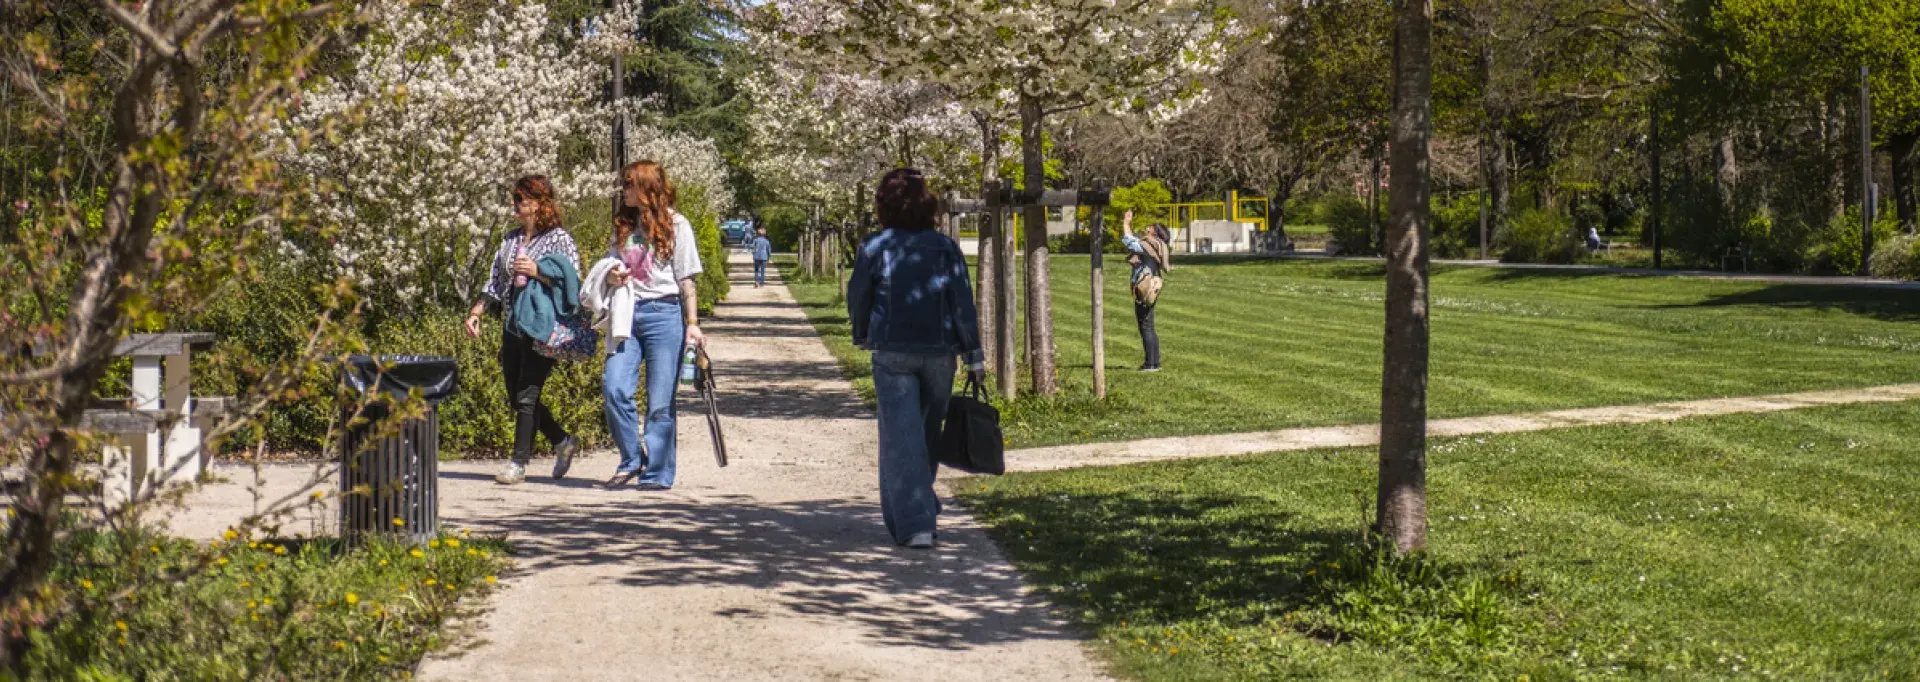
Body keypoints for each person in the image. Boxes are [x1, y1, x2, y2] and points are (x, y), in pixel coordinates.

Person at [847, 168, 986, 550]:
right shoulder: (944, 247)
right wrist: (974, 354)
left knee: (903, 439)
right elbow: (962, 303)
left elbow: (859, 296)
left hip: (893, 352)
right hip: (940, 353)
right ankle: (918, 510)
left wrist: (861, 332)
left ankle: (915, 521)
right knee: (923, 434)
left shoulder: (874, 246)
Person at [599, 160, 707, 491]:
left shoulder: (677, 225)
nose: (625, 190)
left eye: (630, 184)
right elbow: (608, 263)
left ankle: (657, 473)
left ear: (647, 188)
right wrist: (611, 273)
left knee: (660, 402)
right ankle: (632, 458)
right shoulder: (623, 225)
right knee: (614, 385)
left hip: (665, 315)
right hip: (627, 313)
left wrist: (693, 323)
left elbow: (686, 279)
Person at [466, 175, 581, 485]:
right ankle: (562, 441)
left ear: (538, 204)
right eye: (515, 200)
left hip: (543, 326)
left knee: (528, 394)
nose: (515, 206)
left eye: (520, 200)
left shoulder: (559, 239)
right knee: (516, 397)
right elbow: (495, 281)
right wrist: (477, 311)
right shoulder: (510, 240)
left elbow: (573, 281)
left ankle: (518, 463)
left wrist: (538, 271)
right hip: (514, 324)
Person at [1120, 211, 1170, 372]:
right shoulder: (1158, 245)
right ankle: (1155, 362)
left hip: (1145, 288)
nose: (1147, 228)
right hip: (1153, 287)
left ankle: (1150, 364)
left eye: (1150, 227)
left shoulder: (1149, 245)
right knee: (1149, 325)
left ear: (1154, 232)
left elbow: (1129, 242)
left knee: (1145, 326)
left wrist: (1126, 223)